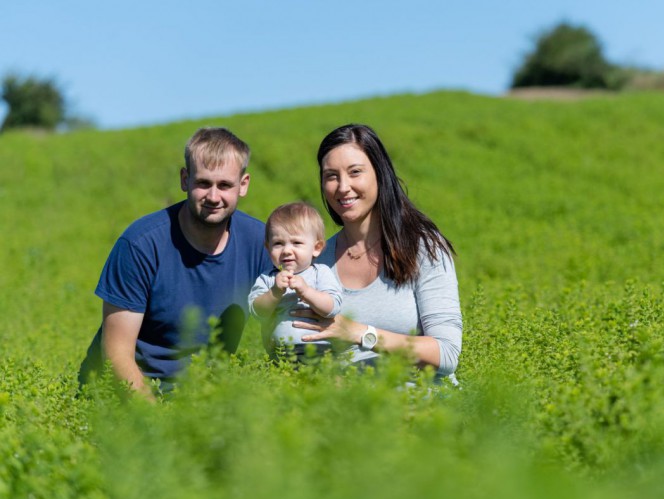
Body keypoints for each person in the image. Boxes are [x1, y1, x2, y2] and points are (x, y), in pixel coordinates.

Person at [78, 127, 272, 397]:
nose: (214, 197)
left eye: (225, 185)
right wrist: (158, 426)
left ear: (244, 184)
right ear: (185, 179)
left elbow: (288, 326)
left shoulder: (261, 243)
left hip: (202, 401)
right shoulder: (140, 244)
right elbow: (116, 354)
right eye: (203, 183)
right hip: (124, 398)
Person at [291, 124, 462, 382]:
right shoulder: (316, 264)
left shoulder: (423, 247)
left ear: (380, 175)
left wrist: (359, 333)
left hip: (424, 409)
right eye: (331, 176)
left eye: (355, 172)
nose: (343, 187)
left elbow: (447, 354)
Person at [248, 202, 342, 359]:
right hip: (280, 352)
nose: (286, 250)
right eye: (278, 243)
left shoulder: (320, 273)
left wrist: (307, 292)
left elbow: (332, 307)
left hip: (319, 350)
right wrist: (274, 292)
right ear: (268, 247)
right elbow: (257, 312)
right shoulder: (268, 278)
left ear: (316, 248)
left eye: (296, 243)